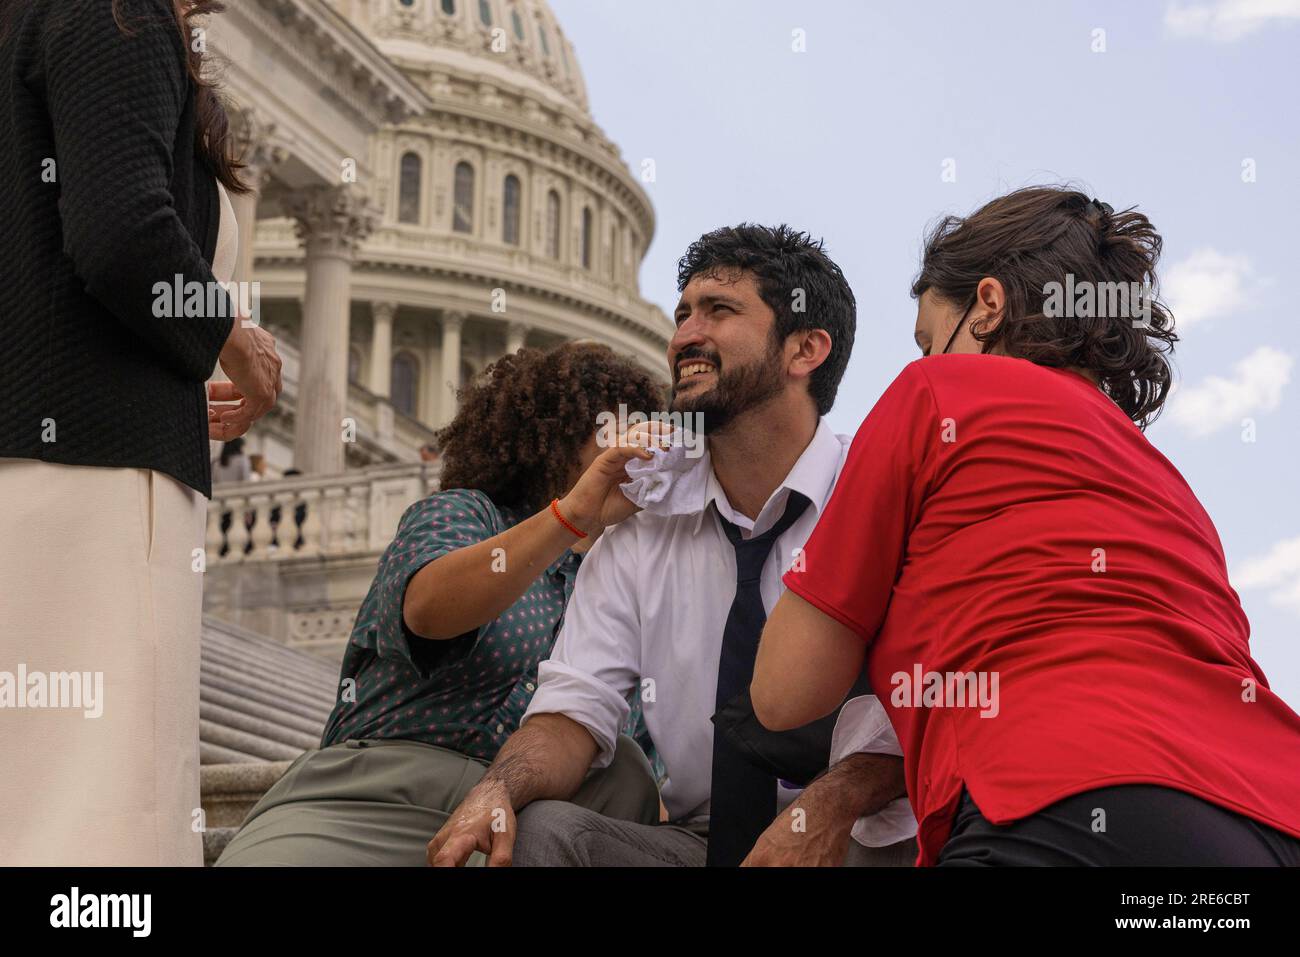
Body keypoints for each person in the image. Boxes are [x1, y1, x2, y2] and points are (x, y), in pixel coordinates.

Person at [752, 186, 1300, 866]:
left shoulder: (933, 395)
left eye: (930, 339)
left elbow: (783, 691)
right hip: (1271, 814)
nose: (925, 361)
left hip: (1054, 798)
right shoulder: (1171, 484)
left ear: (987, 306)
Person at [429, 225, 917, 868]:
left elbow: (937, 705)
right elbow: (574, 712)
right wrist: (496, 789)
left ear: (806, 349)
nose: (685, 334)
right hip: (703, 842)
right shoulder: (641, 522)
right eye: (684, 312)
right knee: (543, 831)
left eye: (719, 310)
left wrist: (826, 808)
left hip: (860, 833)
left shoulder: (890, 498)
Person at [0, 0, 282, 865]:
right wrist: (237, 344)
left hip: (64, 456)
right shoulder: (118, 12)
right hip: (96, 477)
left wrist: (164, 375)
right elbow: (124, 233)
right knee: (98, 813)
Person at [216, 344, 667, 866]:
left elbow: (646, 778)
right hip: (372, 795)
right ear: (555, 434)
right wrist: (572, 517)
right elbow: (429, 609)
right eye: (618, 428)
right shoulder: (467, 515)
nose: (640, 446)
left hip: (524, 827)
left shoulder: (633, 587)